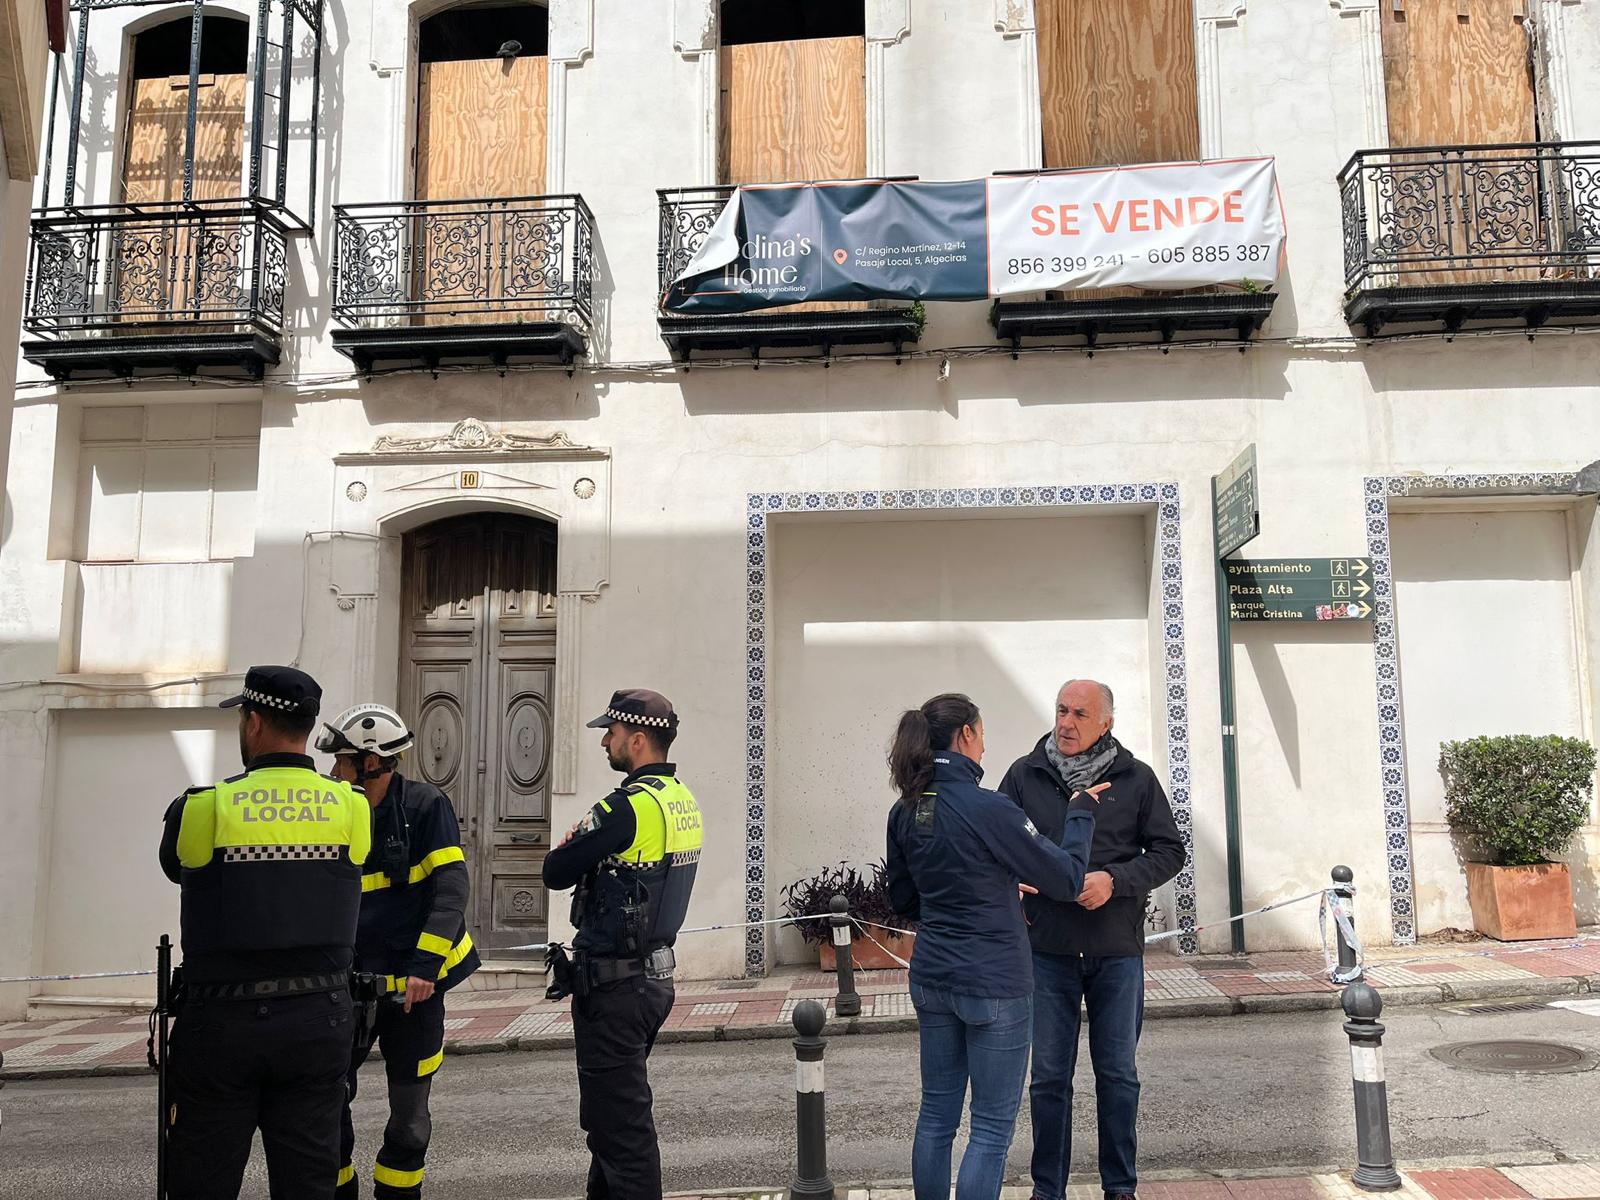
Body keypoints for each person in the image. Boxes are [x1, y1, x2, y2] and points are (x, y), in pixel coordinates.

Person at [158, 665, 371, 1200]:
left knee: (201, 1181)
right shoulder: (352, 807)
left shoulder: (203, 807)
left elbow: (174, 867)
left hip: (221, 1025)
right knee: (308, 1182)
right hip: (318, 1020)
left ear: (253, 724)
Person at [884, 692, 1101, 1200]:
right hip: (995, 981)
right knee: (990, 1127)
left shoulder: (905, 809)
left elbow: (904, 898)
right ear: (965, 735)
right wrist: (1081, 814)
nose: (984, 746)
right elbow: (1067, 878)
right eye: (981, 734)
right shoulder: (989, 807)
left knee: (936, 1115)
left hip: (933, 976)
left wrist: (977, 892)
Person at [998, 680, 1187, 1200]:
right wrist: (1016, 881)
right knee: (1049, 1080)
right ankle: (1047, 1190)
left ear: (1106, 723)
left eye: (1081, 714)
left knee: (1118, 1077)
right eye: (1061, 710)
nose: (1067, 723)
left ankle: (1120, 1188)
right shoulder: (1023, 775)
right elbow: (995, 844)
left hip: (1115, 952)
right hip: (1047, 952)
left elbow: (1171, 851)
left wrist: (1115, 882)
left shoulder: (1136, 779)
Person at [541, 689, 703, 1200]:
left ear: (636, 740)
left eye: (609, 734)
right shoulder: (682, 799)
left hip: (614, 988)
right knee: (610, 1127)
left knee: (623, 1135)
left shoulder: (625, 807)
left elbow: (555, 870)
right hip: (653, 982)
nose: (604, 743)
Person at [317, 703, 480, 1200]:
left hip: (415, 993)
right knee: (325, 1118)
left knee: (409, 1125)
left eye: (342, 761)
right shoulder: (333, 812)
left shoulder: (426, 808)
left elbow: (451, 889)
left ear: (371, 763)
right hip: (349, 992)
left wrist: (424, 969)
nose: (333, 771)